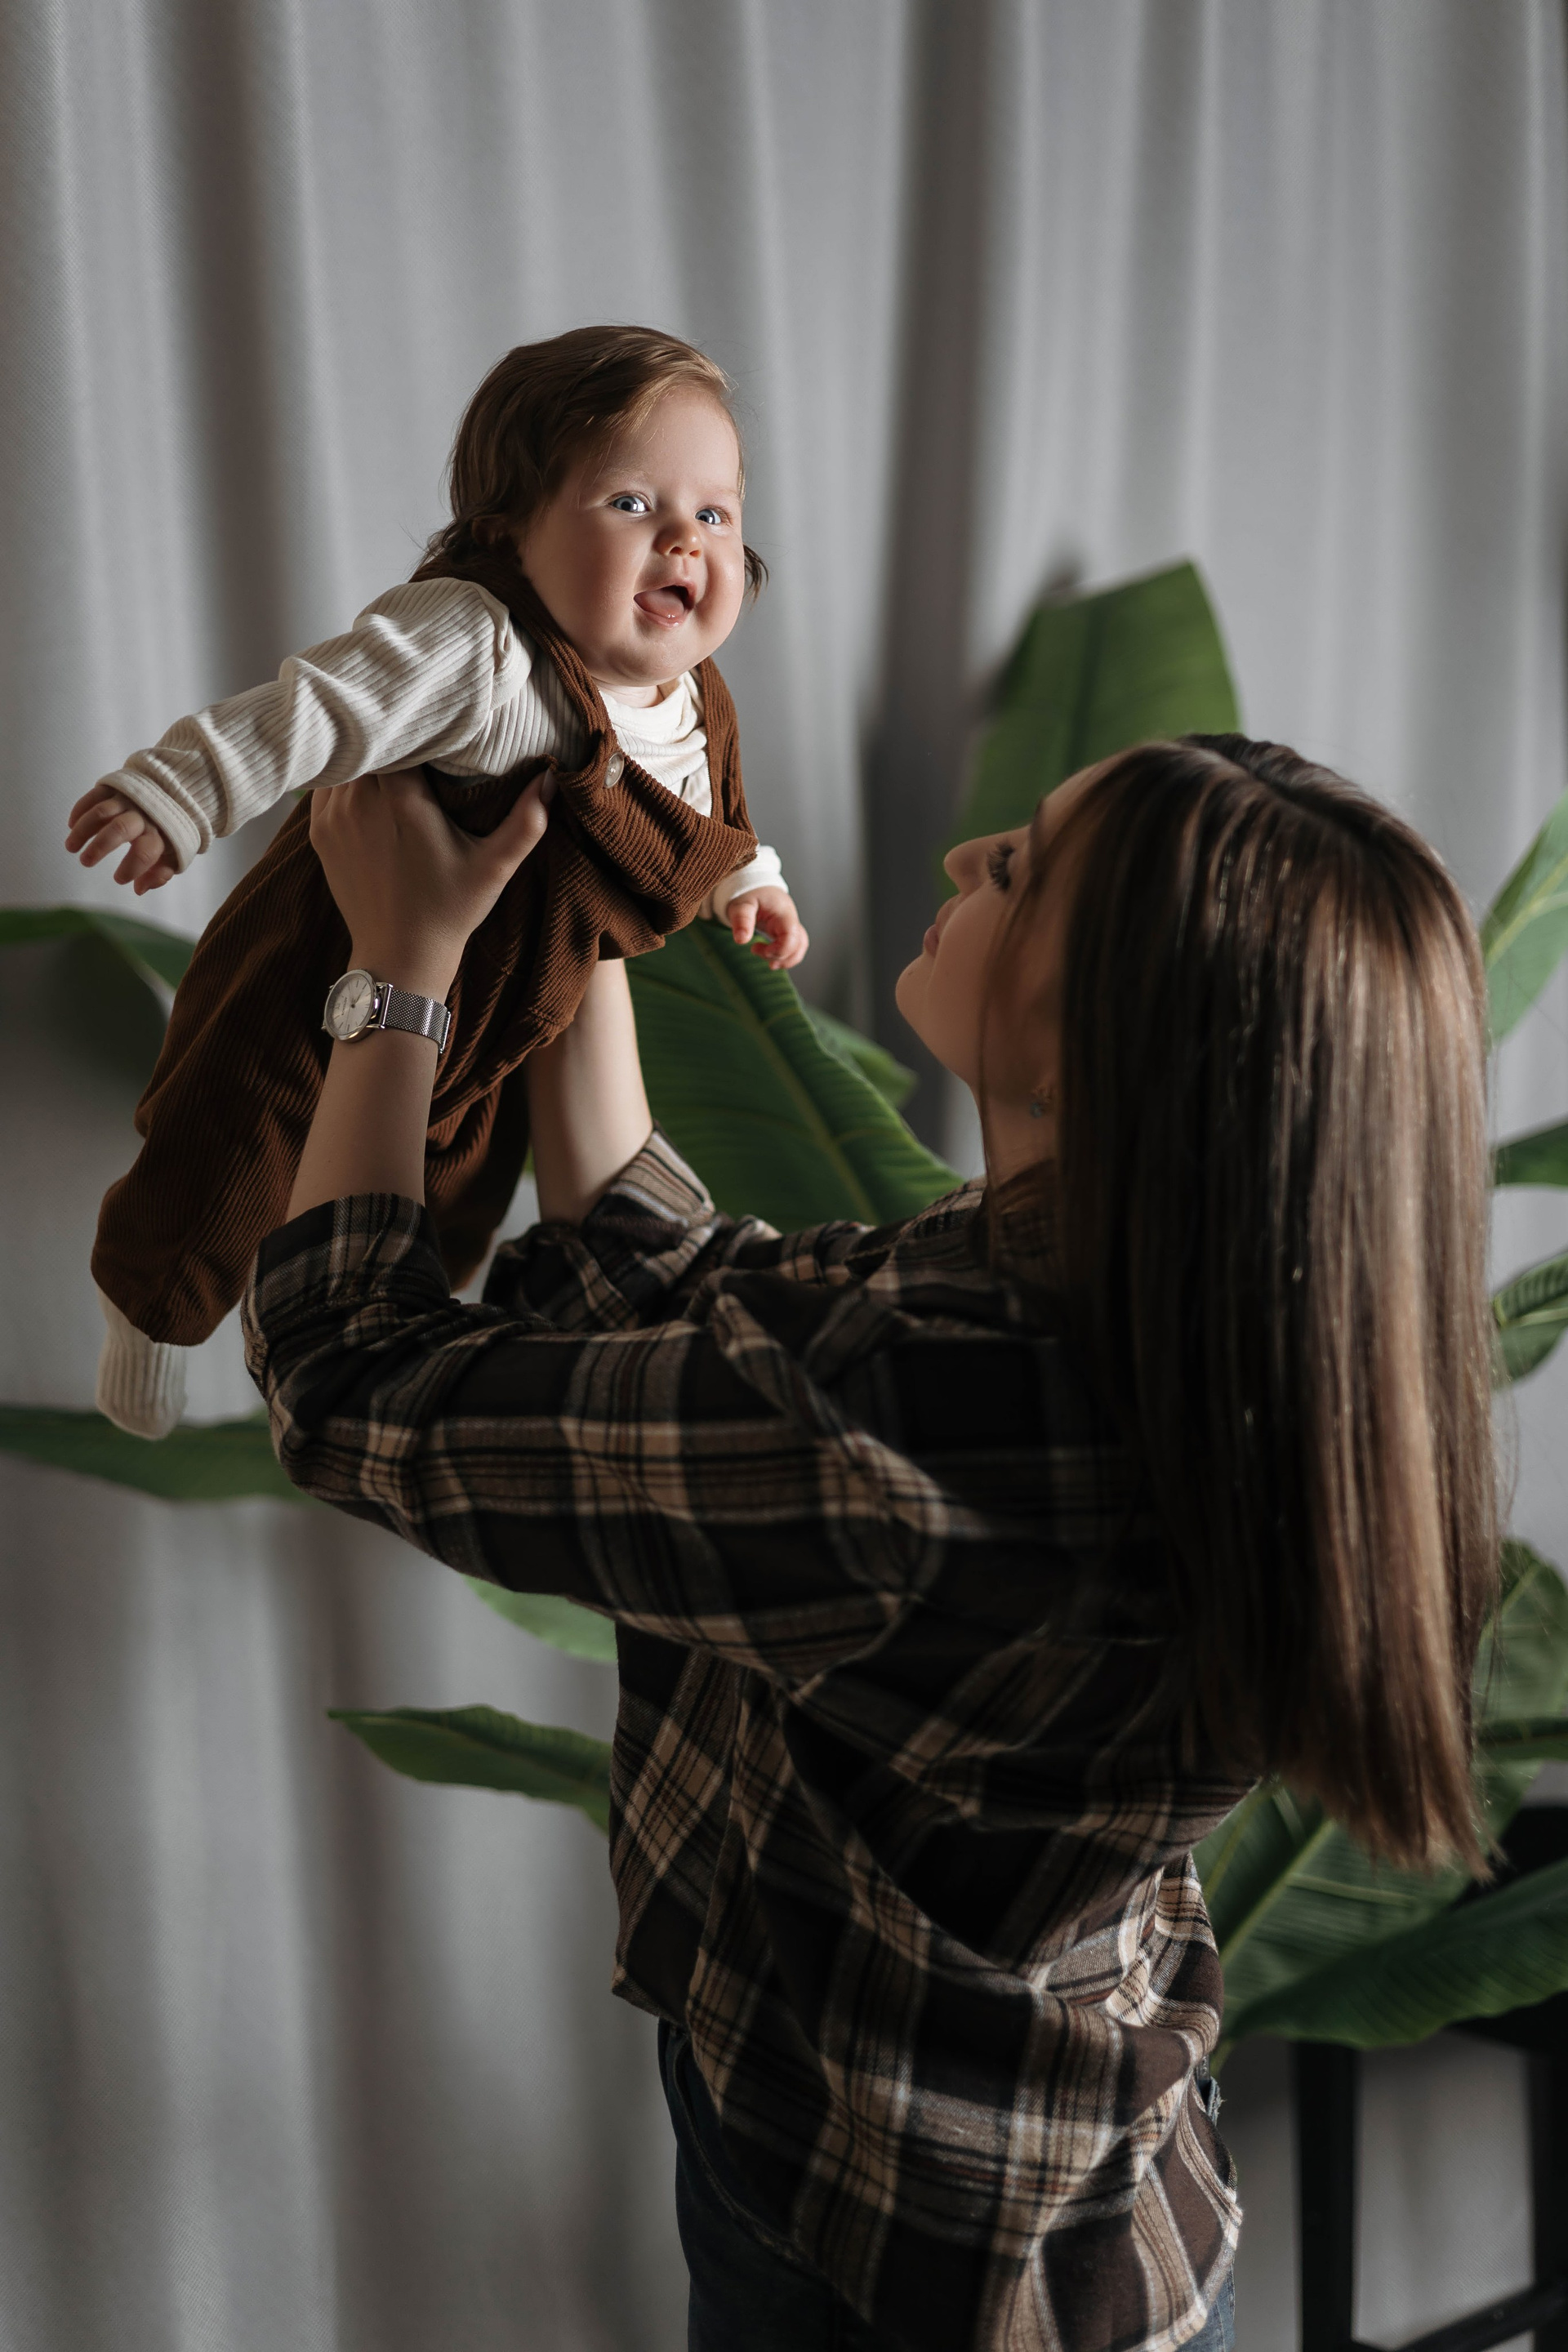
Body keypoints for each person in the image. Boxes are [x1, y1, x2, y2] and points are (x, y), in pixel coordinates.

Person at [243, 732, 1498, 2352]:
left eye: (1021, 868)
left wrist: (402, 969)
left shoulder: (931, 1416)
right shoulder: (1194, 1324)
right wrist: (578, 895)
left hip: (891, 2268)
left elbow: (350, 1381)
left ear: (1102, 1036)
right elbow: (675, 1284)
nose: (970, 856)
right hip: (1091, 2203)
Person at [64, 325, 806, 1439]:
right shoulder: (477, 646)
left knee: (447, 1185)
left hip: (512, 998)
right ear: (507, 530)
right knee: (233, 1140)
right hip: (331, 956)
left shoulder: (692, 692)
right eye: (630, 503)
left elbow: (709, 814)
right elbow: (319, 706)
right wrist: (182, 791)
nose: (681, 541)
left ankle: (386, 1324)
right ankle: (150, 1312)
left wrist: (747, 879)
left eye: (714, 514)